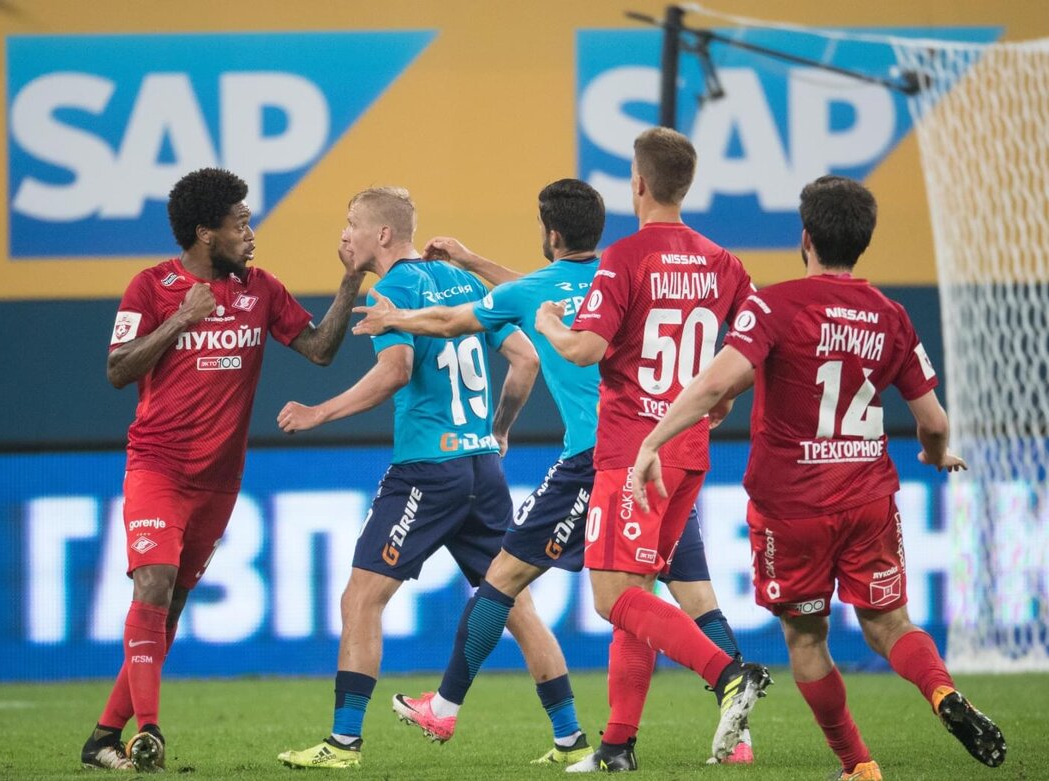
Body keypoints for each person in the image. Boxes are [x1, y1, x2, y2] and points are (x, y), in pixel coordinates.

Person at [352, 179, 755, 765]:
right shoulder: (617, 276)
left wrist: (398, 319)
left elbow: (454, 320)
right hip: (670, 448)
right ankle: (731, 736)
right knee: (692, 593)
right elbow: (540, 288)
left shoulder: (543, 290)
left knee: (505, 578)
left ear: (552, 232)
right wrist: (471, 260)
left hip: (599, 457)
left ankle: (445, 706)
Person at [630, 175, 1008, 780]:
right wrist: (936, 455)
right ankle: (941, 692)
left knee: (807, 639)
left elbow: (715, 382)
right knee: (890, 624)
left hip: (792, 508)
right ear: (863, 242)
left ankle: (858, 765)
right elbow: (934, 422)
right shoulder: (891, 316)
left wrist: (653, 439)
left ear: (805, 237)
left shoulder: (774, 306)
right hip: (868, 499)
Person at [81, 167, 372, 772]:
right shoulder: (151, 287)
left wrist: (350, 280)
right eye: (240, 223)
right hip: (157, 467)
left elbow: (319, 349)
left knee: (173, 605)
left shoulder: (260, 290)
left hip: (218, 480)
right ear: (205, 232)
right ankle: (150, 731)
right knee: (153, 583)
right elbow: (117, 370)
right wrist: (181, 320)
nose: (250, 233)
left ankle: (104, 737)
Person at [274, 186, 567, 771]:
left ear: (382, 234)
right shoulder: (462, 282)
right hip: (482, 468)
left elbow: (396, 370)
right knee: (514, 604)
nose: (345, 234)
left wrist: (318, 413)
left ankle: (343, 744)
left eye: (352, 222)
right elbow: (526, 358)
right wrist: (499, 429)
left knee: (362, 598)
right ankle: (571, 737)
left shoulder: (392, 291)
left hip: (426, 473)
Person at [534, 128, 772, 772]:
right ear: (684, 186)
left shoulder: (625, 257)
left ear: (637, 184)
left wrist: (550, 323)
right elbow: (759, 344)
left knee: (612, 596)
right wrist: (723, 394)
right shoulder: (723, 262)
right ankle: (617, 747)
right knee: (636, 596)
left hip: (632, 452)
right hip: (688, 450)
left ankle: (728, 674)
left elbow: (585, 350)